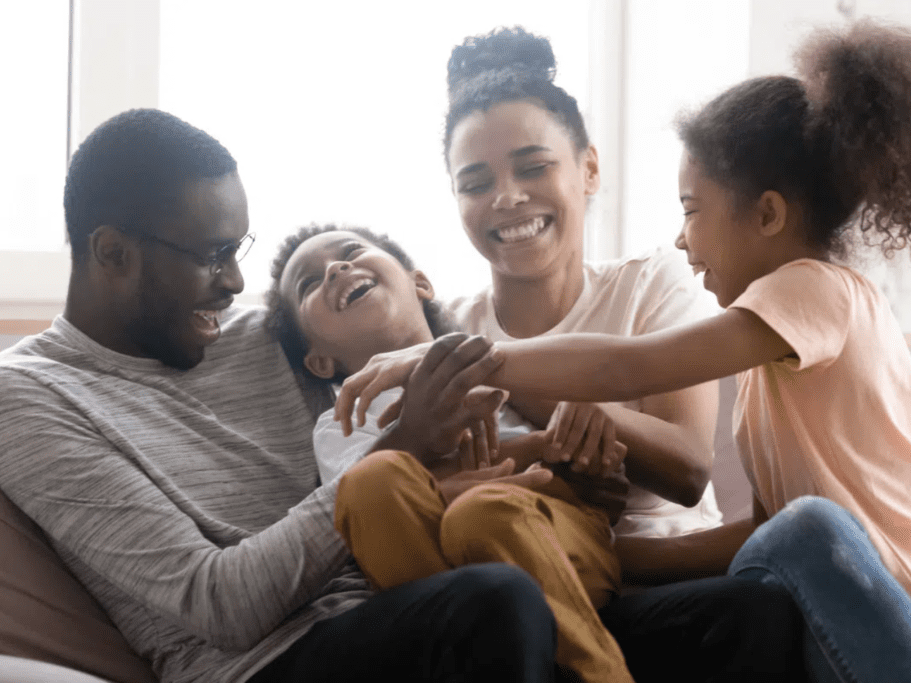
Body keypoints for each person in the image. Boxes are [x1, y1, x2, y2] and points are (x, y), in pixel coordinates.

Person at [337, 20, 911, 683]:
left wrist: (465, 358)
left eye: (692, 209)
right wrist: (601, 553)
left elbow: (626, 365)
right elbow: (753, 537)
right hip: (884, 628)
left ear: (767, 216)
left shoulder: (816, 291)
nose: (681, 238)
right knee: (789, 534)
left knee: (804, 529)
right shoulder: (769, 370)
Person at [0, 108, 562, 683]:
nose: (235, 283)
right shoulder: (30, 396)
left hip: (403, 604)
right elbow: (218, 604)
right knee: (496, 602)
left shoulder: (260, 333)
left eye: (236, 250)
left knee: (649, 616)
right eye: (210, 256)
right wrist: (405, 444)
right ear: (113, 254)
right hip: (266, 663)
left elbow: (412, 354)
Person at [265, 222, 636, 683]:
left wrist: (577, 440)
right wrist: (523, 456)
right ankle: (469, 645)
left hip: (553, 540)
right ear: (318, 361)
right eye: (309, 283)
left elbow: (578, 460)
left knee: (484, 512)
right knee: (370, 483)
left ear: (420, 283)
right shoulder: (341, 424)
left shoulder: (500, 366)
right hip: (449, 574)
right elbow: (372, 518)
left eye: (352, 251)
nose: (337, 268)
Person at [443, 26, 724, 540]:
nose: (507, 197)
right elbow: (436, 482)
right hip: (522, 577)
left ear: (589, 169)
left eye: (533, 167)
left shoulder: (651, 282)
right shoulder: (448, 326)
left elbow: (688, 469)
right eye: (476, 183)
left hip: (677, 578)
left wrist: (593, 413)